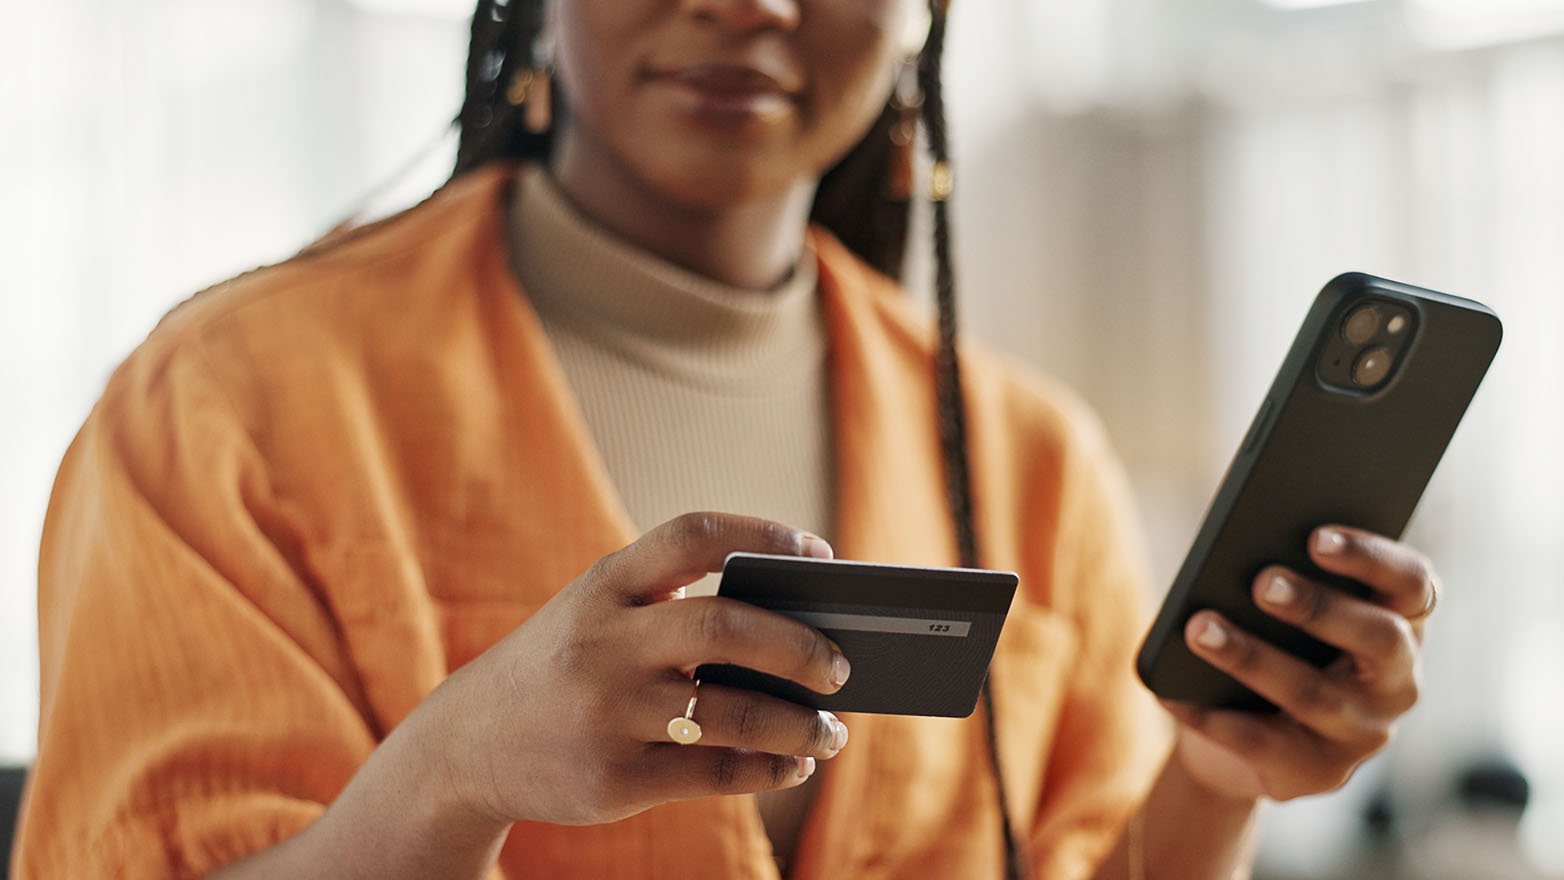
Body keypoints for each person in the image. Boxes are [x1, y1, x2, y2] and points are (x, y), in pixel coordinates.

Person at [12, 0, 1440, 877]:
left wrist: (1218, 780)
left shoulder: (1027, 454)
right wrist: (449, 780)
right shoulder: (222, 398)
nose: (747, 2)